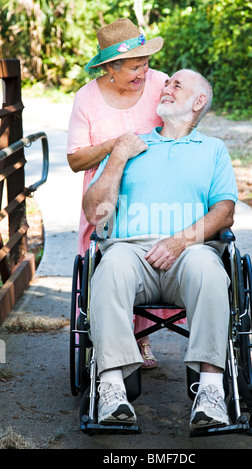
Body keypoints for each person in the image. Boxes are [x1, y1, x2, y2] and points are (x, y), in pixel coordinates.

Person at [82, 69, 238, 430]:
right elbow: (95, 213)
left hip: (190, 253)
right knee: (112, 264)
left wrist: (181, 241)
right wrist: (118, 157)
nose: (165, 87)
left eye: (176, 85)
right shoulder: (132, 143)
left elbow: (225, 211)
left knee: (210, 269)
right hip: (131, 252)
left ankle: (212, 391)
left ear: (199, 102)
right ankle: (111, 388)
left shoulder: (213, 149)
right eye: (166, 83)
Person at [67, 17, 170, 368]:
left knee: (152, 252)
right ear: (110, 66)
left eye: (146, 63)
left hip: (154, 193)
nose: (144, 72)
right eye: (134, 67)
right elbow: (75, 159)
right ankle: (112, 336)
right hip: (106, 197)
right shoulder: (87, 98)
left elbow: (185, 124)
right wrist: (115, 146)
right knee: (105, 257)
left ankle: (141, 338)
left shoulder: (159, 83)